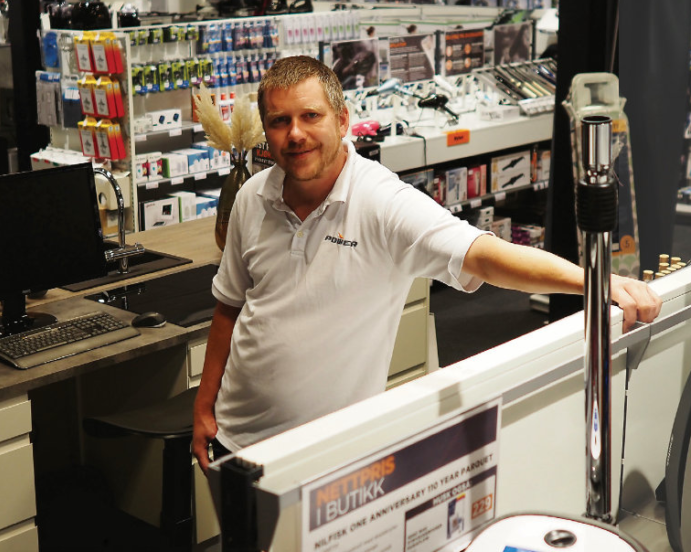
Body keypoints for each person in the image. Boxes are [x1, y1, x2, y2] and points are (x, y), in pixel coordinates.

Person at [192, 56, 662, 471]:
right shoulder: (253, 196)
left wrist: (596, 281)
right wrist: (205, 407)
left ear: (342, 120)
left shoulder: (379, 201)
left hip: (331, 454)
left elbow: (485, 255)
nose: (294, 134)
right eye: (279, 121)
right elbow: (229, 307)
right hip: (237, 439)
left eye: (310, 116)